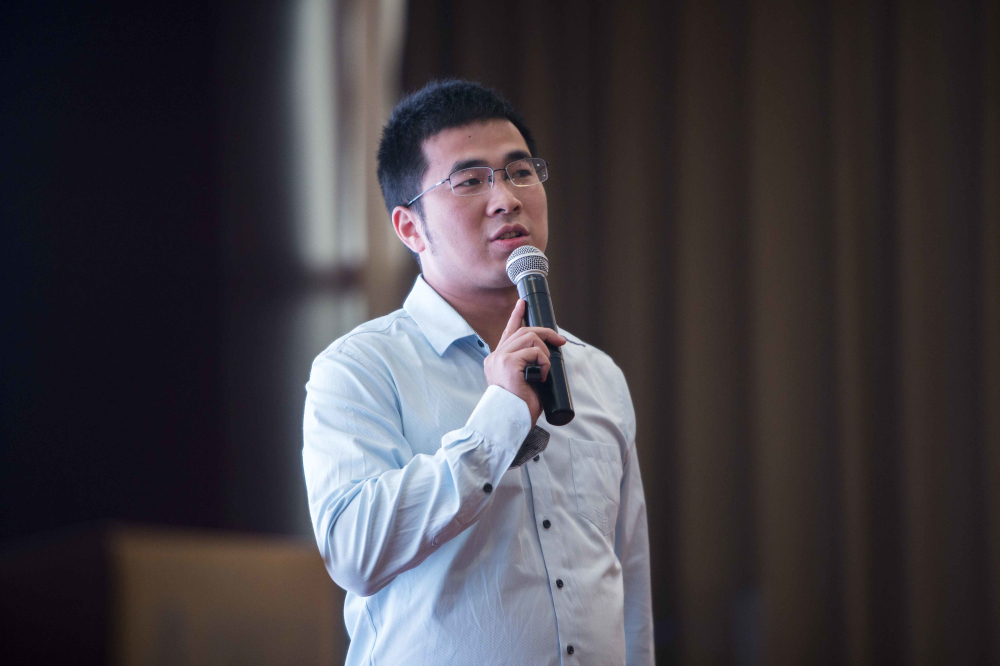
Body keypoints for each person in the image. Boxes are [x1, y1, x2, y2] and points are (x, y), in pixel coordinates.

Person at [303, 79, 654, 665]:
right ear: (410, 228)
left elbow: (628, 576)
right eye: (469, 181)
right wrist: (498, 420)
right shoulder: (359, 369)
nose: (506, 198)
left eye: (520, 172)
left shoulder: (597, 373)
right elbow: (354, 553)